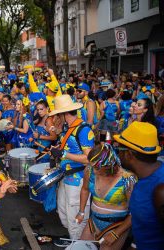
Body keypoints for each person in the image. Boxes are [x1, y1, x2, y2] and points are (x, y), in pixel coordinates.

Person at [48, 95, 95, 243]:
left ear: (64, 114)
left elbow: (89, 159)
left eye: (57, 115)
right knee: (63, 213)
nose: (56, 118)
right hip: (66, 177)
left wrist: (63, 153)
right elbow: (69, 149)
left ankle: (78, 244)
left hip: (79, 181)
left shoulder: (83, 129)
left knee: (76, 219)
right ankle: (74, 241)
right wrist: (58, 150)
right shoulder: (70, 128)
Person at [113, 122, 164, 249]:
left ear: (129, 154)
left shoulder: (161, 190)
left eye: (119, 149)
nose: (117, 154)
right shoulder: (140, 177)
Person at [77, 143, 135, 249]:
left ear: (109, 165)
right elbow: (85, 190)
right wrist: (81, 212)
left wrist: (116, 233)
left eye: (97, 168)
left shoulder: (127, 179)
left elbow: (135, 213)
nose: (93, 171)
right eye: (92, 166)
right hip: (93, 221)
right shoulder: (90, 170)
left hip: (116, 225)